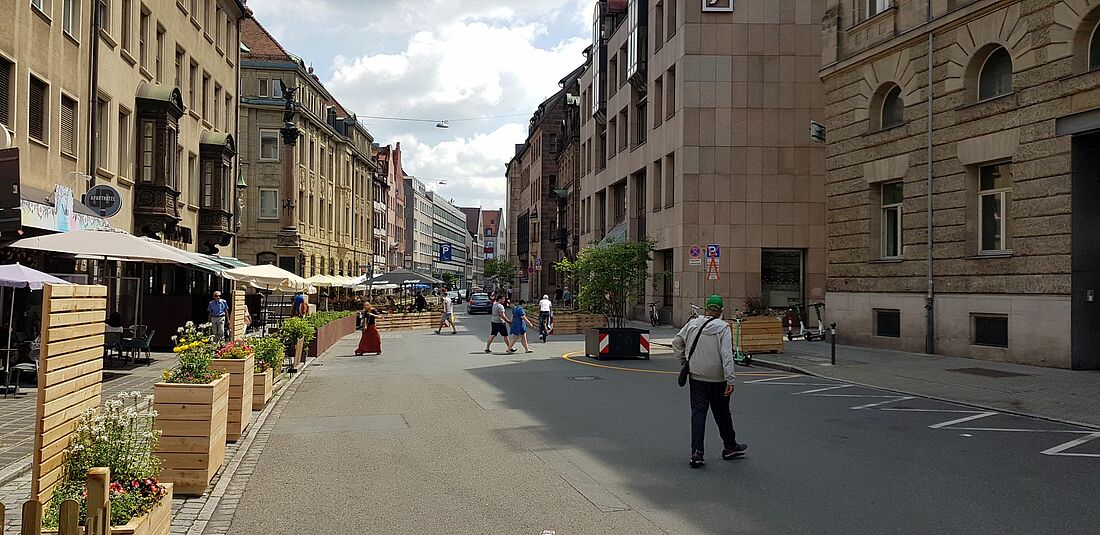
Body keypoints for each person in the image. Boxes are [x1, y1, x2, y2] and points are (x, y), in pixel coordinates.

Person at [672, 294, 748, 469]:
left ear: (706, 308)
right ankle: (730, 446)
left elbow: (677, 342)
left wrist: (684, 362)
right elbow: (726, 355)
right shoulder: (723, 328)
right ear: (721, 310)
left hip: (696, 377)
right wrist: (730, 379)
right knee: (722, 413)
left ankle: (697, 453)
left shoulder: (692, 324)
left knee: (698, 414)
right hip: (718, 379)